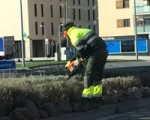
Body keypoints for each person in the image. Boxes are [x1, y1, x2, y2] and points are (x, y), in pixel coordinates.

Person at [64, 22, 108, 112]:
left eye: (64, 34)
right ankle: (97, 99)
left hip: (95, 53)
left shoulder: (72, 34)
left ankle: (86, 100)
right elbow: (82, 50)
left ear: (66, 32)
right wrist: (72, 60)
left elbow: (80, 47)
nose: (65, 36)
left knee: (88, 75)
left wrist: (83, 58)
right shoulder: (82, 31)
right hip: (103, 51)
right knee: (97, 76)